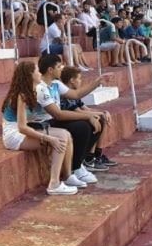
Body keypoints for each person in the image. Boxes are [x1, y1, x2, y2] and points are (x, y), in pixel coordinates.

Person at [1, 61, 76, 196]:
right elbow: (22, 127)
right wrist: (47, 137)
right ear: (30, 75)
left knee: (65, 134)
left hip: (22, 130)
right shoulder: (22, 95)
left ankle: (68, 176)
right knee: (60, 139)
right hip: (14, 135)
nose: (40, 74)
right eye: (37, 71)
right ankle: (54, 184)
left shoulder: (32, 91)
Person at [33, 54, 104, 187]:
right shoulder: (41, 88)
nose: (61, 69)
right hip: (44, 124)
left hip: (53, 121)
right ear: (50, 70)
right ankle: (75, 168)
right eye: (58, 67)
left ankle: (79, 163)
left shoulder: (55, 84)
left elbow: (76, 94)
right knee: (82, 127)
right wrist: (87, 116)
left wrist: (97, 83)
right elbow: (58, 115)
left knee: (98, 121)